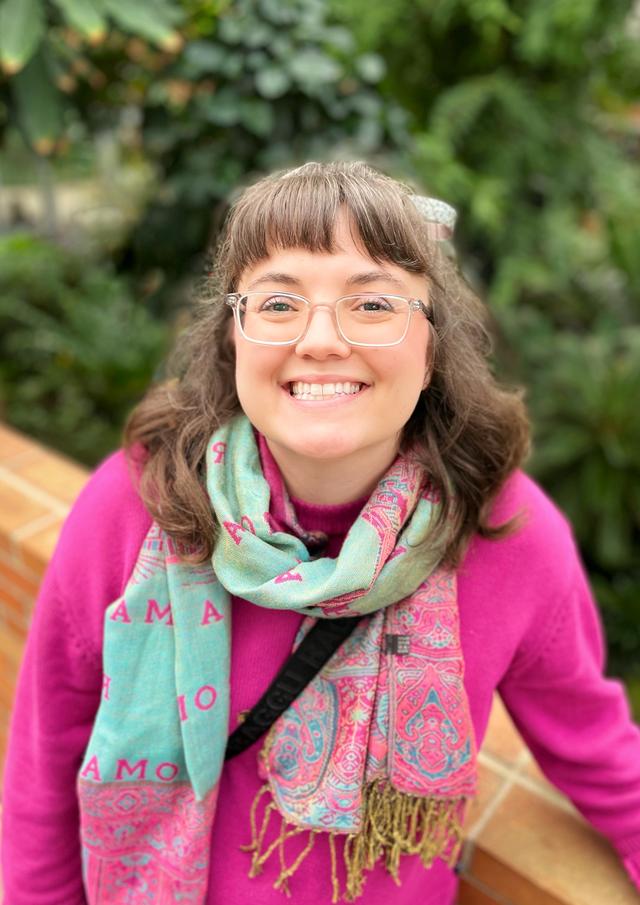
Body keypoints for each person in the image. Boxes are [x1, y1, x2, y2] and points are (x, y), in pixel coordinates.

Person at [2, 161, 640, 905]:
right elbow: (45, 760)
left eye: (372, 302)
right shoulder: (138, 503)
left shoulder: (506, 533)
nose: (321, 340)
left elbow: (597, 747)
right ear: (234, 335)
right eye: (279, 302)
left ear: (433, 343)